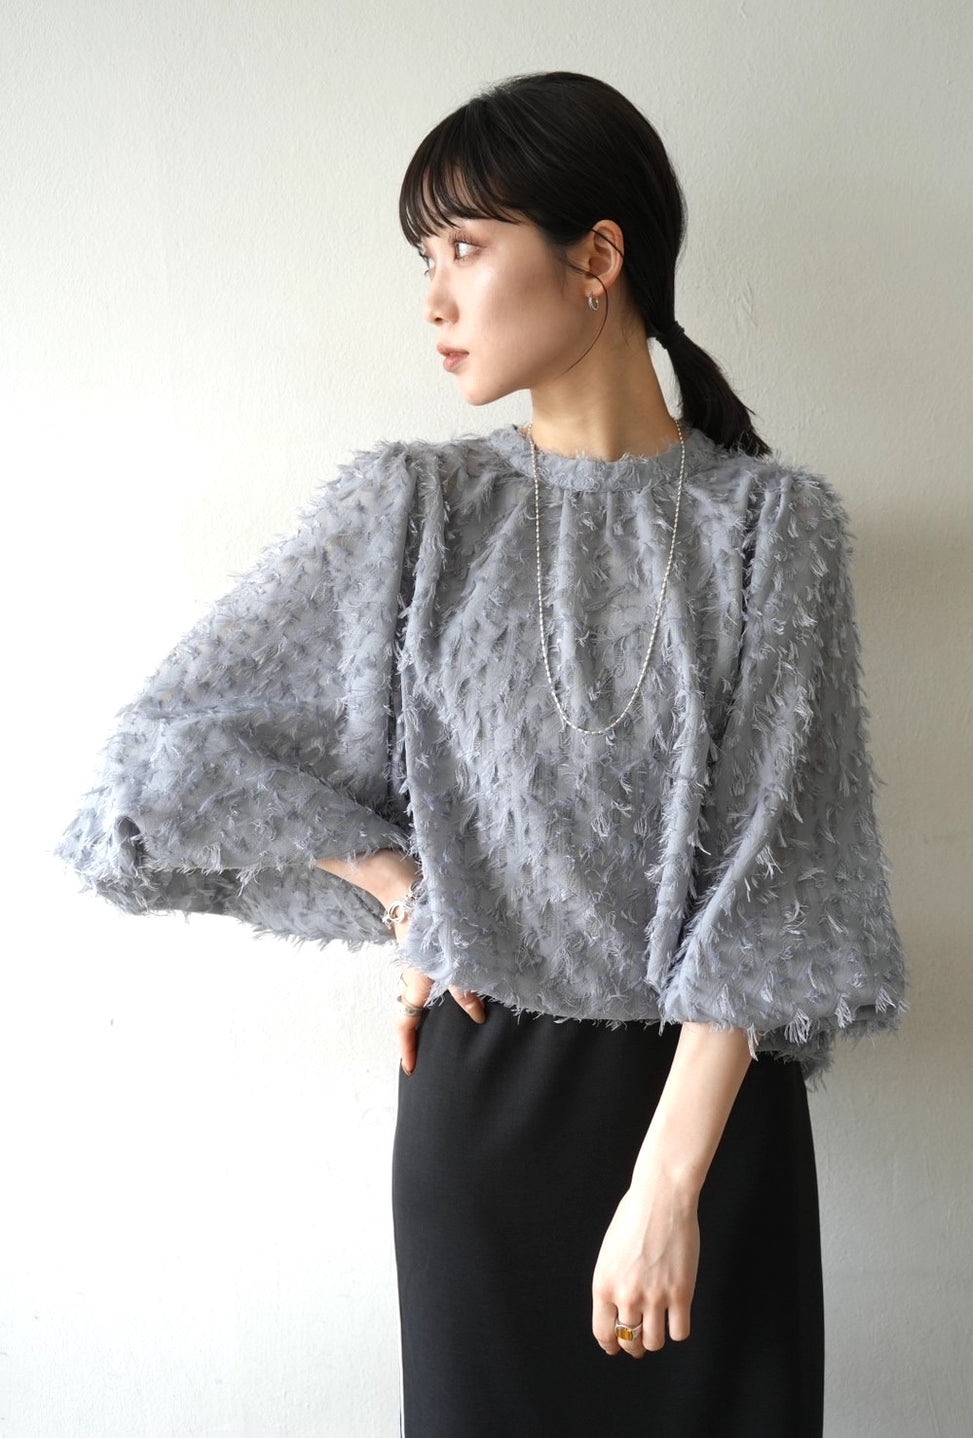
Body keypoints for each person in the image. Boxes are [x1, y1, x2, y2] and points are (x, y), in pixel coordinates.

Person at [55, 70, 908, 1438]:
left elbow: (780, 884)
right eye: (425, 259)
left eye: (465, 246)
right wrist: (403, 888)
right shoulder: (414, 509)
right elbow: (155, 767)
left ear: (597, 257)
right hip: (483, 1114)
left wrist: (667, 1189)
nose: (435, 298)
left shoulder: (770, 530)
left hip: (706, 1132)